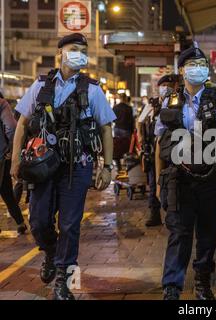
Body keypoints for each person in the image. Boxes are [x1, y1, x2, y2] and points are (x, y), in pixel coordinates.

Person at [11, 32, 116, 300]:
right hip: (42, 166)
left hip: (77, 166)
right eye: (73, 48)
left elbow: (106, 129)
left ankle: (65, 281)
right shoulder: (40, 86)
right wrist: (15, 162)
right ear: (60, 53)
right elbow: (22, 124)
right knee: (38, 221)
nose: (79, 53)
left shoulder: (92, 89)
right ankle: (51, 252)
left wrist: (106, 167)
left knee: (70, 225)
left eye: (83, 49)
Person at [154, 42, 216, 300]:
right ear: (182, 70)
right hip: (178, 180)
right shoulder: (169, 101)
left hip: (212, 179)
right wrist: (159, 181)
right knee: (179, 233)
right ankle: (172, 287)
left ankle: (203, 283)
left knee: (208, 234)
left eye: (202, 65)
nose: (198, 69)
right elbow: (159, 144)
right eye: (192, 65)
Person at [138, 74, 178, 227]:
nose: (166, 88)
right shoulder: (153, 104)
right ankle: (154, 213)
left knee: (172, 180)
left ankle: (172, 213)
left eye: (169, 85)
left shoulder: (177, 102)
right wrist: (141, 139)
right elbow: (140, 121)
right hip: (154, 150)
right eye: (163, 86)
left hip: (172, 149)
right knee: (154, 183)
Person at [0, 94, 27, 235]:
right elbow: (11, 128)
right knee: (7, 191)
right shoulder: (2, 104)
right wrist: (12, 148)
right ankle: (20, 222)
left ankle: (20, 222)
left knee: (6, 191)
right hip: (1, 156)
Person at [113, 93, 134, 170]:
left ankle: (119, 167)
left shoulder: (115, 107)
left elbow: (113, 119)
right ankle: (127, 167)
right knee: (126, 148)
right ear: (125, 98)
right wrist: (132, 132)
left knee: (117, 148)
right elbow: (131, 121)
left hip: (117, 128)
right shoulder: (129, 108)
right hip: (126, 129)